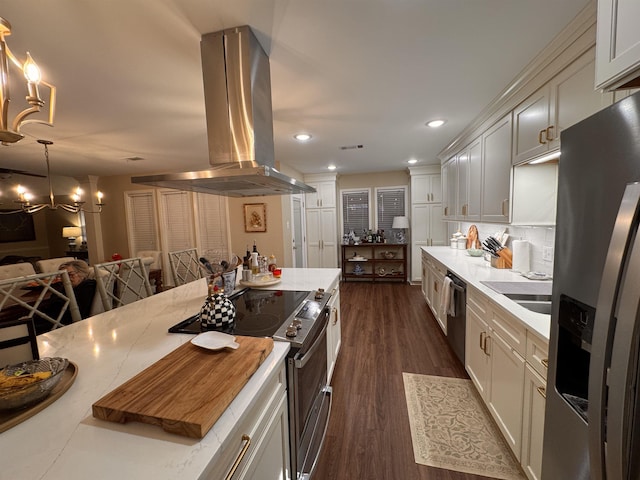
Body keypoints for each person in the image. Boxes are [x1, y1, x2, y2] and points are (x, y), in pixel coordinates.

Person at [37, 260, 96, 333]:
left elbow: (77, 313)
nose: (65, 278)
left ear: (81, 273)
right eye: (62, 276)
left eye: (70, 274)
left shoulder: (88, 286)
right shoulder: (64, 287)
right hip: (51, 319)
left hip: (63, 325)